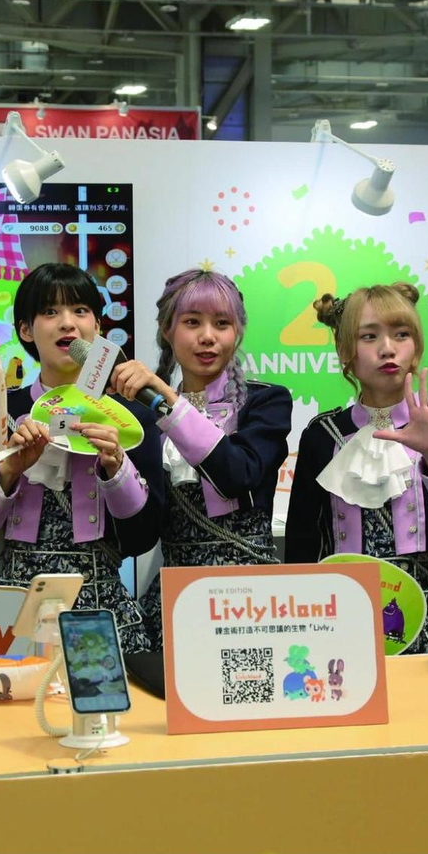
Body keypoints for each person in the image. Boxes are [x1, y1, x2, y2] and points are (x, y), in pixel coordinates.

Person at [0, 263, 165, 653]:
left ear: (97, 327)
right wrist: (8, 472)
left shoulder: (131, 419)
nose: (67, 323)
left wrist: (116, 468)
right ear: (26, 330)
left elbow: (142, 538)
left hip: (103, 612)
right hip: (15, 613)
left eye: (80, 311)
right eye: (49, 311)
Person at [286, 282, 428, 654]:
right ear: (345, 351)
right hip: (340, 620)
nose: (387, 348)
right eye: (369, 336)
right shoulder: (322, 435)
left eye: (401, 334)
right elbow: (301, 547)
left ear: (417, 348)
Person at [108, 268, 292, 650]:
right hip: (177, 599)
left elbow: (237, 475)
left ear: (237, 332)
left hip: (251, 601)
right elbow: (138, 531)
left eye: (222, 323)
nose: (208, 336)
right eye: (192, 322)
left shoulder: (266, 402)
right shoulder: (140, 419)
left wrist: (167, 401)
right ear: (167, 330)